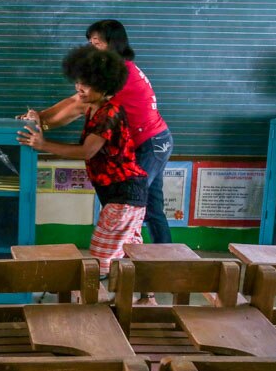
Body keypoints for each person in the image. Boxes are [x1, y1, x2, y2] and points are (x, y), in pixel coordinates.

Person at [31, 20, 173, 301]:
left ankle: (152, 274)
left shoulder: (115, 82)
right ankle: (150, 284)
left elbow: (77, 111)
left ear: (113, 44)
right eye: (90, 42)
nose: (91, 47)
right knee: (140, 216)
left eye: (97, 42)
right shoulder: (102, 85)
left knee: (132, 211)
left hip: (150, 145)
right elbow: (76, 100)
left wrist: (42, 130)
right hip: (143, 149)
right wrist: (40, 118)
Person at [18, 46, 147, 277]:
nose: (80, 88)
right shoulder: (91, 106)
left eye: (87, 84)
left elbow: (87, 152)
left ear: (105, 84)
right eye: (78, 81)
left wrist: (42, 145)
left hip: (124, 194)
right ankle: (146, 299)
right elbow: (55, 117)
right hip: (121, 194)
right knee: (129, 254)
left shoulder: (110, 112)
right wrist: (36, 120)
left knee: (99, 260)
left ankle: (99, 306)